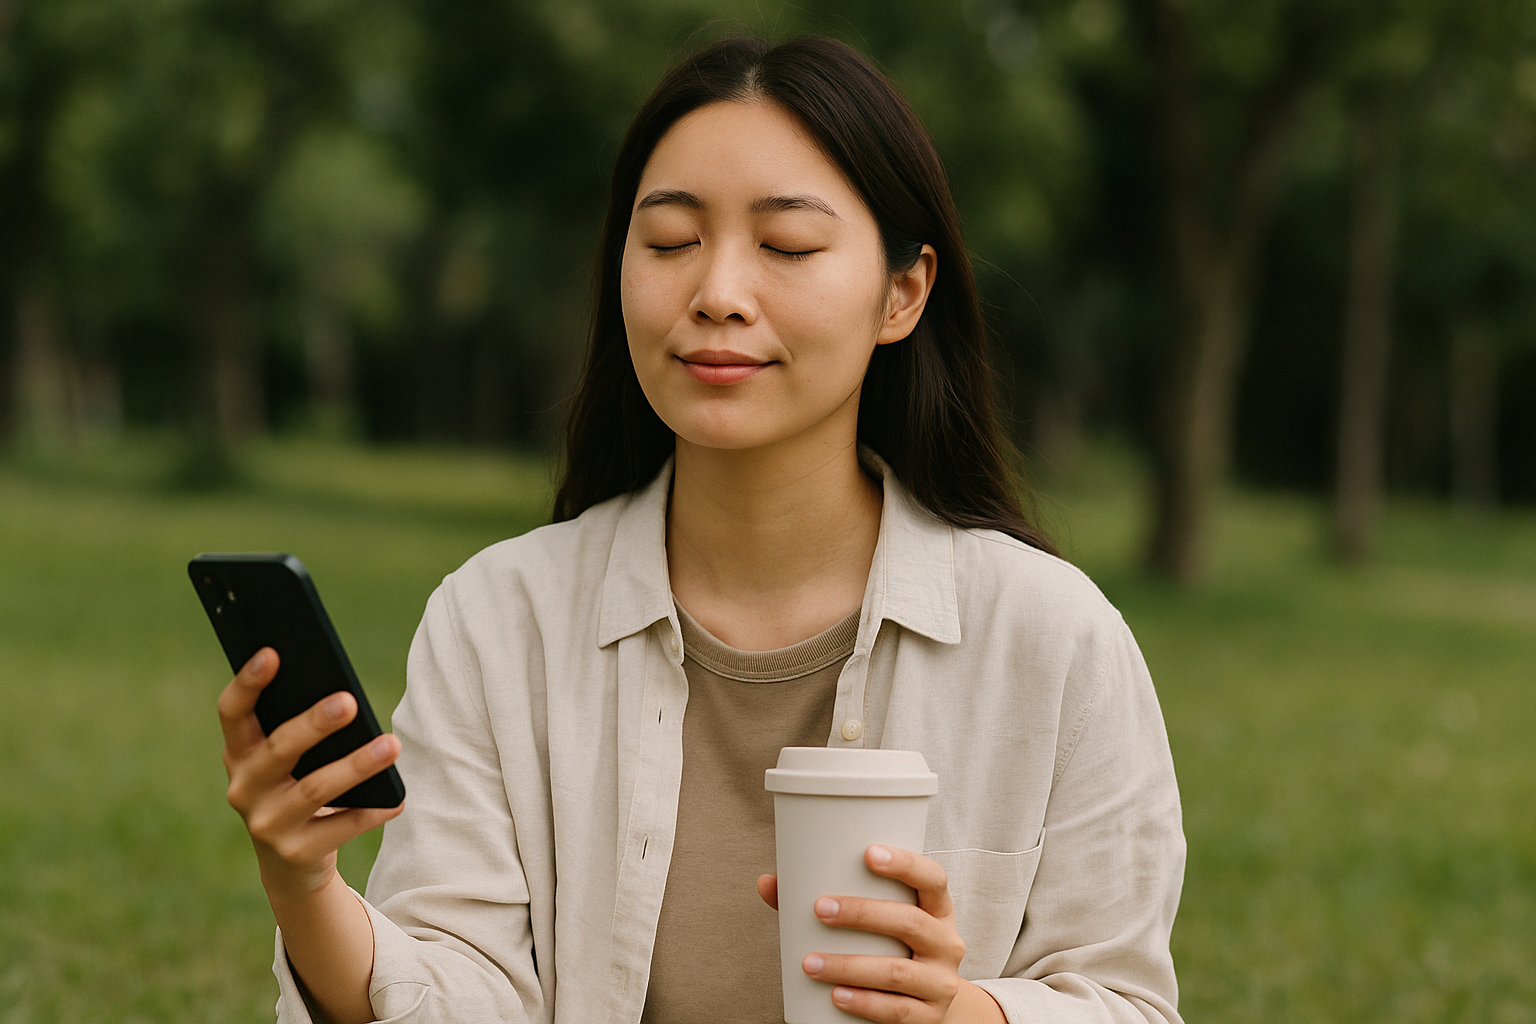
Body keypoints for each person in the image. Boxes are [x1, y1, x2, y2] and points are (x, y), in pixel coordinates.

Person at [217, 34, 1184, 1024]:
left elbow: (1126, 1002)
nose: (717, 292)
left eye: (788, 247)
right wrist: (307, 890)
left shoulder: (1052, 638)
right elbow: (465, 991)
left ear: (904, 292)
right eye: (671, 240)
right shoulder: (499, 619)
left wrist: (963, 1012)